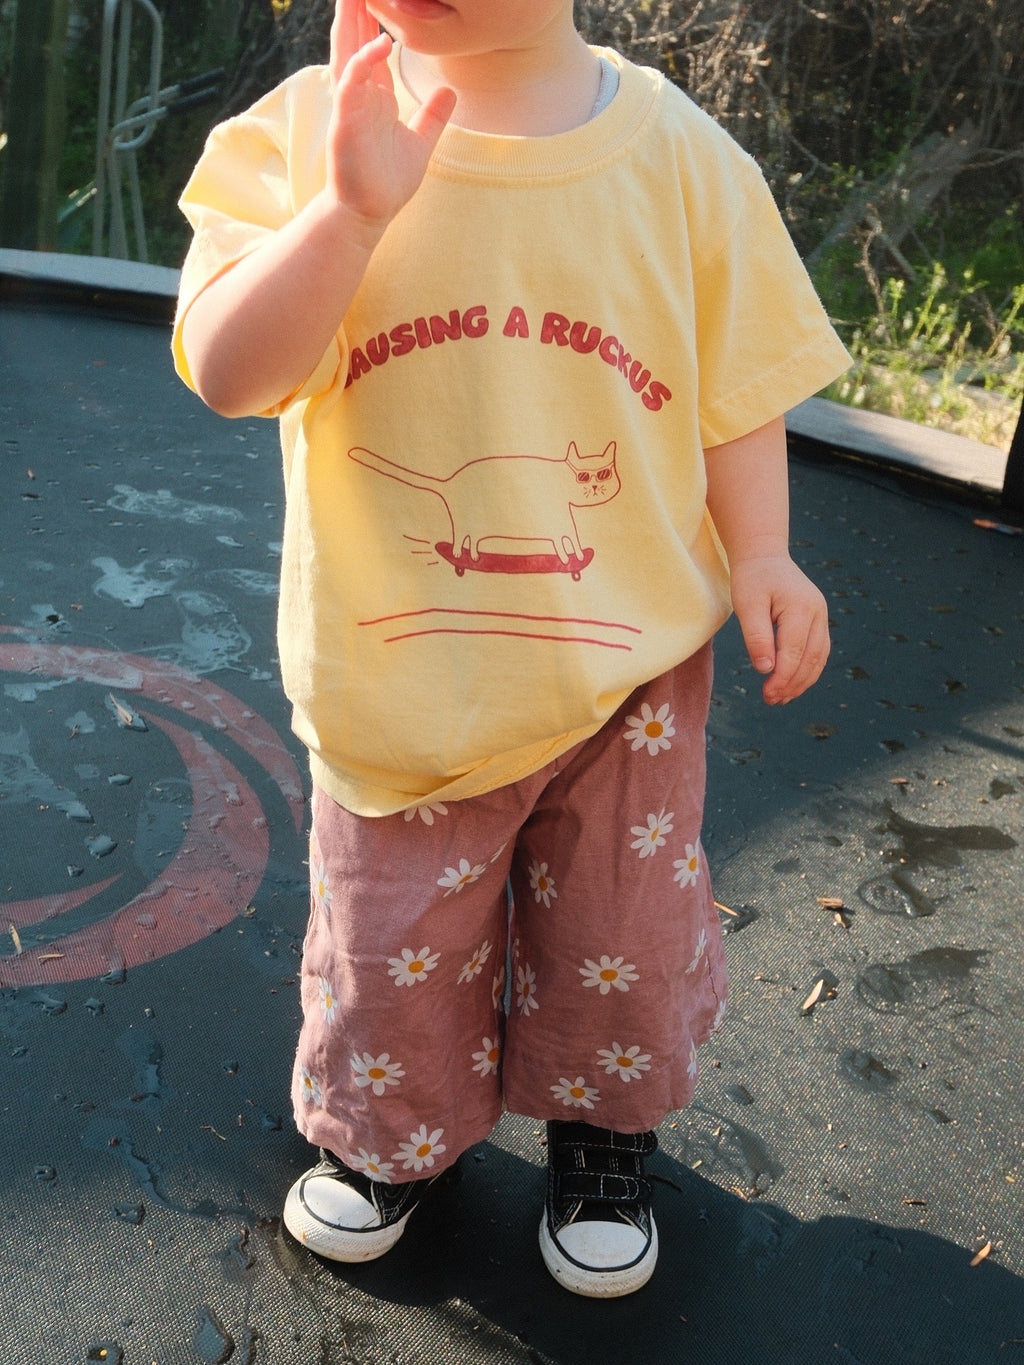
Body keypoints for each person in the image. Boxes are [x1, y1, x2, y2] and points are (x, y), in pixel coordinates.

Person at [172, 0, 850, 1298]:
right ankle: (393, 1137)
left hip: (626, 679)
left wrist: (761, 552)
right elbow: (229, 367)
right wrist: (347, 216)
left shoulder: (681, 158)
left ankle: (603, 1133)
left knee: (620, 933)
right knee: (396, 943)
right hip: (401, 676)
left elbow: (737, 381)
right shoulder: (301, 134)